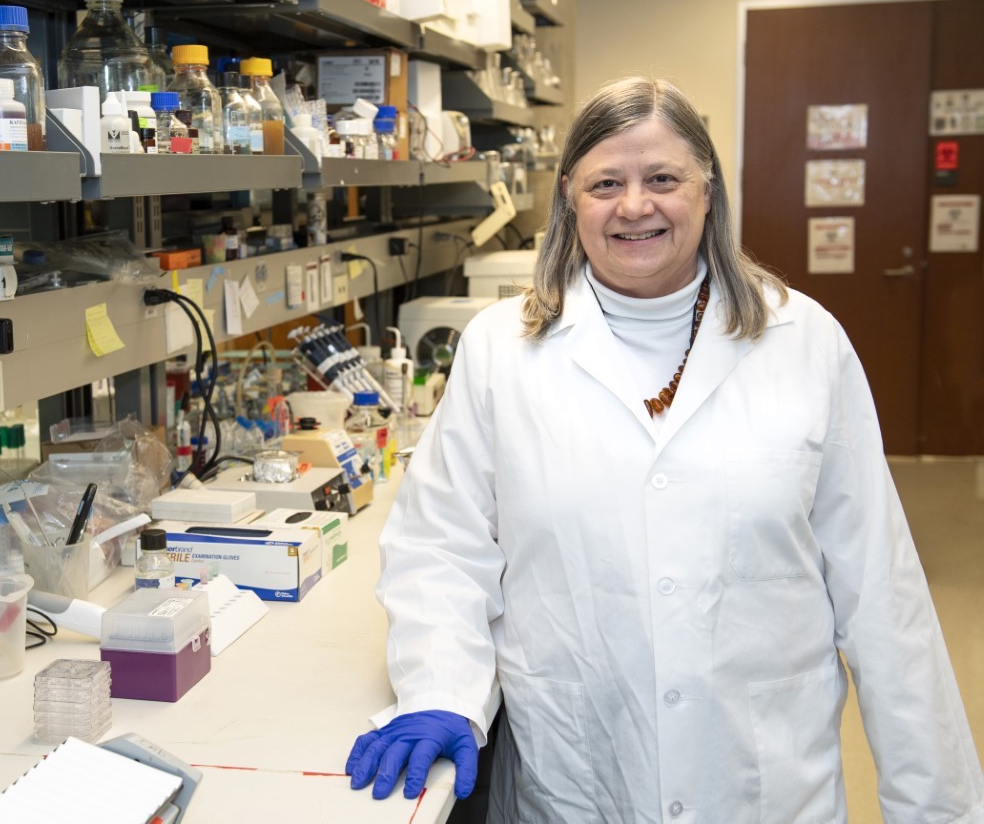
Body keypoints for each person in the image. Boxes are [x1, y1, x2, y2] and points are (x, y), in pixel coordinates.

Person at [346, 76, 984, 821]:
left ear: (708, 192)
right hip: (576, 778)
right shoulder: (501, 350)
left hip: (762, 783)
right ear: (568, 201)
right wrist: (440, 688)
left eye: (663, 179)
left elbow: (883, 596)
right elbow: (441, 545)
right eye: (606, 182)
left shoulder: (804, 342)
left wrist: (938, 805)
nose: (635, 205)